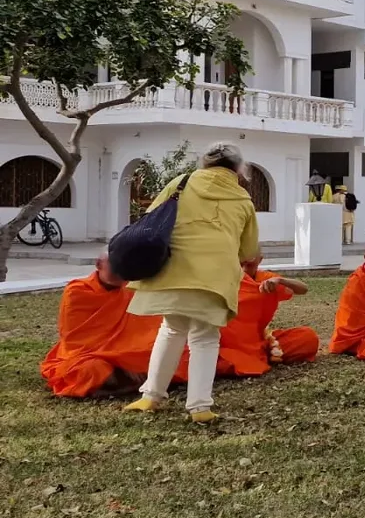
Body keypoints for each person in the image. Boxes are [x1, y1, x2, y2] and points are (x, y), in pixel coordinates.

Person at [123, 142, 259, 423]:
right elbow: (248, 252)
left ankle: (151, 396)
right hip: (214, 276)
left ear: (205, 163)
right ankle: (199, 408)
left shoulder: (180, 182)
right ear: (238, 168)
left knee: (171, 329)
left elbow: (150, 221)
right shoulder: (243, 198)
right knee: (205, 338)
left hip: (173, 268)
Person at [42, 253, 178, 398]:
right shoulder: (77, 292)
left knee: (178, 352)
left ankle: (127, 382)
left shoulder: (132, 288)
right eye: (115, 266)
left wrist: (129, 359)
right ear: (98, 265)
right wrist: (121, 360)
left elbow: (149, 326)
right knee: (89, 370)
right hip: (91, 356)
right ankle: (139, 380)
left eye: (125, 267)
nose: (121, 272)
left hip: (129, 353)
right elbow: (75, 341)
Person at [216, 257, 319, 377]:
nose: (244, 270)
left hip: (262, 343)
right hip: (225, 345)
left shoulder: (266, 280)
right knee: (198, 356)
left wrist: (280, 280)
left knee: (307, 337)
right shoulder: (221, 280)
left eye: (249, 266)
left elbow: (303, 289)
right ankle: (247, 360)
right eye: (240, 265)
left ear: (259, 260)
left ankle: (257, 358)